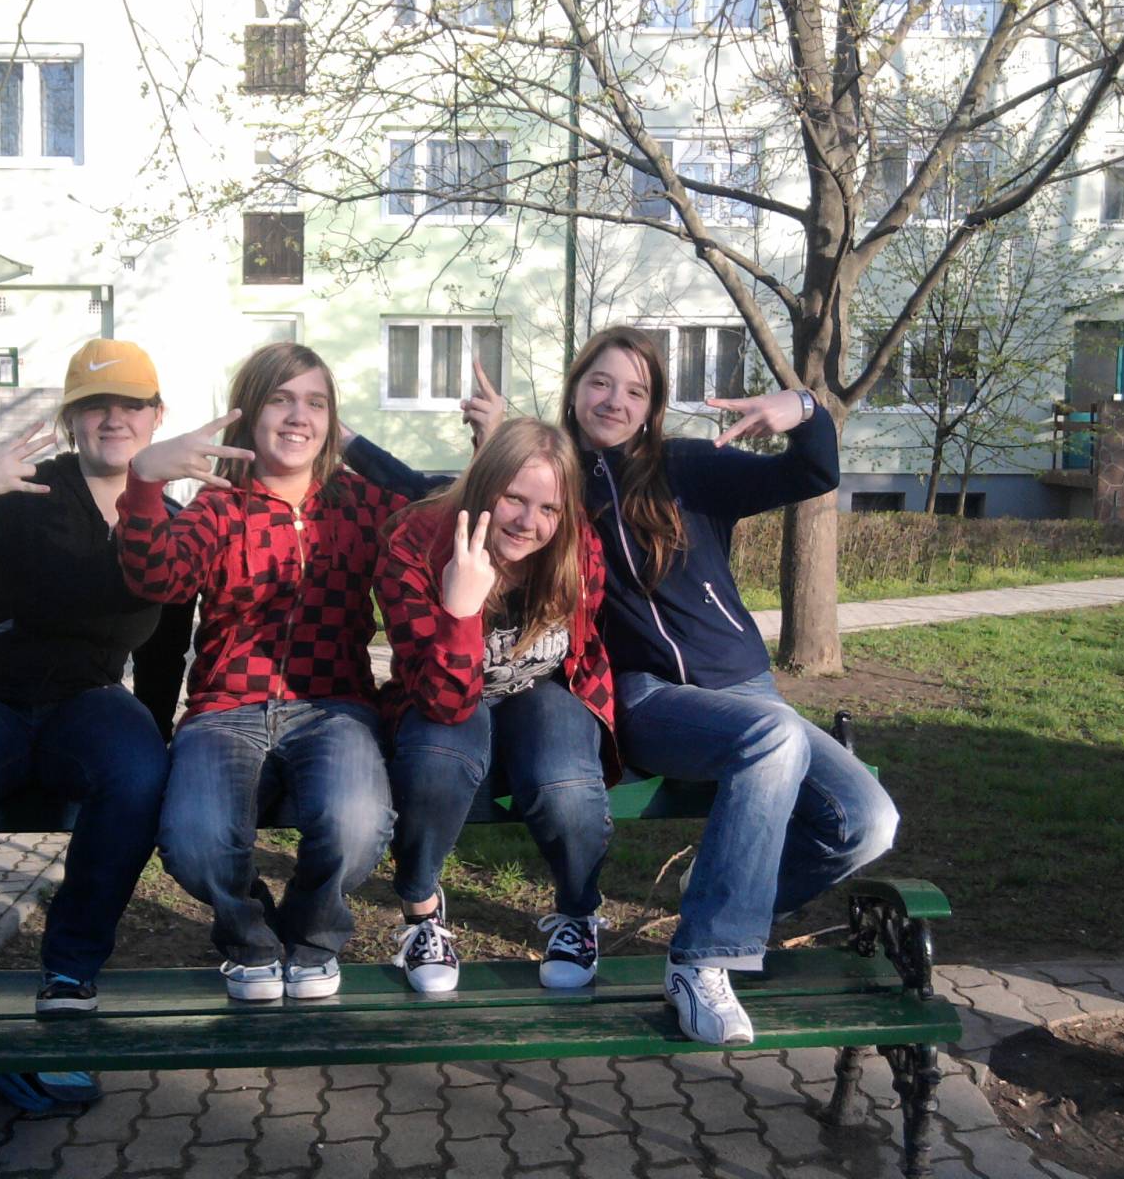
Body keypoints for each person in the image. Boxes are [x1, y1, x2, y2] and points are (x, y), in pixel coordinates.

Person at [344, 327, 900, 1045]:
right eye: (601, 382)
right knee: (771, 739)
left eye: (636, 390)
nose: (615, 400)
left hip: (746, 687)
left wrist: (802, 407)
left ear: (652, 406)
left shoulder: (688, 468)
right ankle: (702, 960)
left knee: (867, 823)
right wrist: (353, 438)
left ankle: (723, 888)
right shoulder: (558, 483)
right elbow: (435, 494)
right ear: (576, 389)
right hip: (648, 692)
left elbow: (813, 472)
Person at [0, 339, 189, 1050]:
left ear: (156, 414)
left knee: (141, 770)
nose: (114, 419)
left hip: (87, 703)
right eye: (94, 405)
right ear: (71, 418)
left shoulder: (168, 521)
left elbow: (165, 646)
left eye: (131, 404)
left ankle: (72, 968)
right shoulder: (24, 492)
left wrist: (155, 731)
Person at [116, 342, 402, 1001]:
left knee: (358, 825)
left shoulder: (363, 504)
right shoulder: (220, 505)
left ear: (332, 421)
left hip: (333, 705)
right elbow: (158, 577)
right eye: (281, 399)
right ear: (249, 413)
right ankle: (250, 935)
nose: (299, 416)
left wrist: (482, 446)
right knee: (193, 843)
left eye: (316, 403)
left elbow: (443, 512)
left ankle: (311, 933)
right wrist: (145, 481)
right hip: (227, 711)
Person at [377, 419, 618, 993]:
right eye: (514, 498)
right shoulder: (417, 540)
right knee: (438, 759)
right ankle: (422, 911)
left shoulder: (577, 546)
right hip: (443, 696)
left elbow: (582, 652)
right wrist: (462, 609)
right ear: (485, 482)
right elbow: (442, 699)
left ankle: (577, 914)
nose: (529, 522)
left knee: (565, 787)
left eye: (548, 508)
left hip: (543, 693)